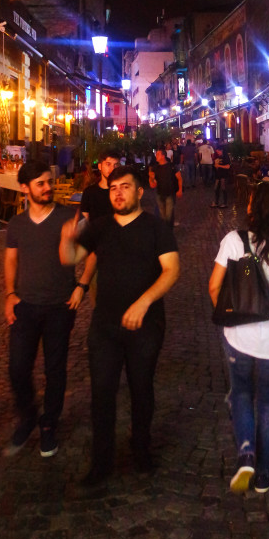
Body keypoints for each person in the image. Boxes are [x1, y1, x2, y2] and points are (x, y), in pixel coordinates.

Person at [60, 165, 180, 488]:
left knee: (142, 389)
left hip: (146, 324)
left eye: (125, 187)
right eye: (114, 188)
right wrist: (67, 241)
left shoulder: (156, 228)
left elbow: (171, 271)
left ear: (140, 192)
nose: (118, 193)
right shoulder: (100, 228)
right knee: (101, 393)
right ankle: (102, 460)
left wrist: (144, 302)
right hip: (105, 326)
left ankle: (141, 448)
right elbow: (71, 258)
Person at [208, 182, 269, 494]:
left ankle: (246, 452)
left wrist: (228, 318)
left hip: (238, 337)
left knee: (242, 393)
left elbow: (213, 286)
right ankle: (263, 474)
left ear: (252, 209)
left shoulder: (233, 240)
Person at [4, 161, 88, 459]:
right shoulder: (17, 224)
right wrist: (9, 294)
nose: (48, 187)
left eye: (49, 182)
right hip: (25, 305)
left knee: (55, 369)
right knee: (17, 368)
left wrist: (81, 286)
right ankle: (27, 416)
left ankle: (49, 423)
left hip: (59, 305)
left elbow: (91, 252)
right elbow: (11, 260)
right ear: (24, 188)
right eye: (40, 183)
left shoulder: (68, 215)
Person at [80, 149, 121, 223]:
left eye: (116, 165)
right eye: (108, 164)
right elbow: (84, 221)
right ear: (100, 166)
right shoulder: (89, 192)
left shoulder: (122, 192)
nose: (112, 168)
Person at [148, 148, 182, 228]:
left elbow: (179, 178)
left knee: (169, 216)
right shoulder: (155, 168)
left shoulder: (171, 166)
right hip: (160, 194)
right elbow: (153, 185)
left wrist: (180, 190)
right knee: (163, 217)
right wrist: (151, 179)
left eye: (158, 154)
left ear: (163, 156)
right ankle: (165, 232)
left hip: (170, 194)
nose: (156, 156)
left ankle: (168, 232)